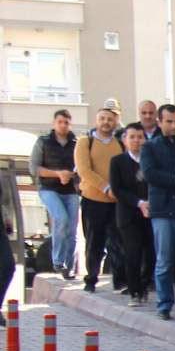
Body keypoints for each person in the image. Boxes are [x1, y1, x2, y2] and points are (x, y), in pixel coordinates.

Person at [140, 105, 175, 319]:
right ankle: (164, 304)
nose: (173, 126)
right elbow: (150, 174)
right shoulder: (150, 147)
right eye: (169, 121)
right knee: (164, 259)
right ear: (160, 122)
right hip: (162, 209)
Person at [77, 104, 123, 294]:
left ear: (116, 122)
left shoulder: (120, 144)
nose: (106, 122)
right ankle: (91, 279)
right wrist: (105, 187)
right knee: (94, 242)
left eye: (110, 119)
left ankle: (120, 281)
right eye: (103, 118)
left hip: (116, 202)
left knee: (118, 242)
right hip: (93, 200)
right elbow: (84, 170)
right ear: (97, 120)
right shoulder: (84, 142)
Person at [31, 109, 81, 279]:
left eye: (66, 122)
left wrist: (72, 177)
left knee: (72, 229)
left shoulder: (76, 143)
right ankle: (58, 261)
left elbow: (81, 167)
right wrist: (58, 174)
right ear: (54, 123)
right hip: (48, 188)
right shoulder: (43, 142)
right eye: (60, 122)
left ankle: (69, 265)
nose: (63, 125)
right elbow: (34, 168)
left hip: (70, 190)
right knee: (61, 218)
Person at [109, 124, 152, 305]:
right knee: (133, 253)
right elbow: (117, 189)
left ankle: (144, 286)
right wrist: (138, 203)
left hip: (151, 212)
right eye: (132, 137)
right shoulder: (117, 161)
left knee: (151, 254)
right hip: (128, 214)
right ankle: (134, 291)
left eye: (140, 137)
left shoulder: (151, 160)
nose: (136, 141)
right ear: (125, 140)